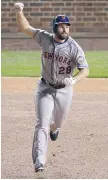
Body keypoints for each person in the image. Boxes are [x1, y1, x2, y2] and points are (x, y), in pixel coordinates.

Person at [14, 2, 89, 172]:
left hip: (64, 90)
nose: (65, 29)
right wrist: (19, 11)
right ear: (54, 28)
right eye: (61, 26)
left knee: (58, 122)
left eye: (67, 26)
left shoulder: (74, 48)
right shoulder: (44, 38)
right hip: (45, 88)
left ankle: (55, 128)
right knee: (42, 124)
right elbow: (25, 27)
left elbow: (86, 70)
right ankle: (39, 161)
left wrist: (74, 80)